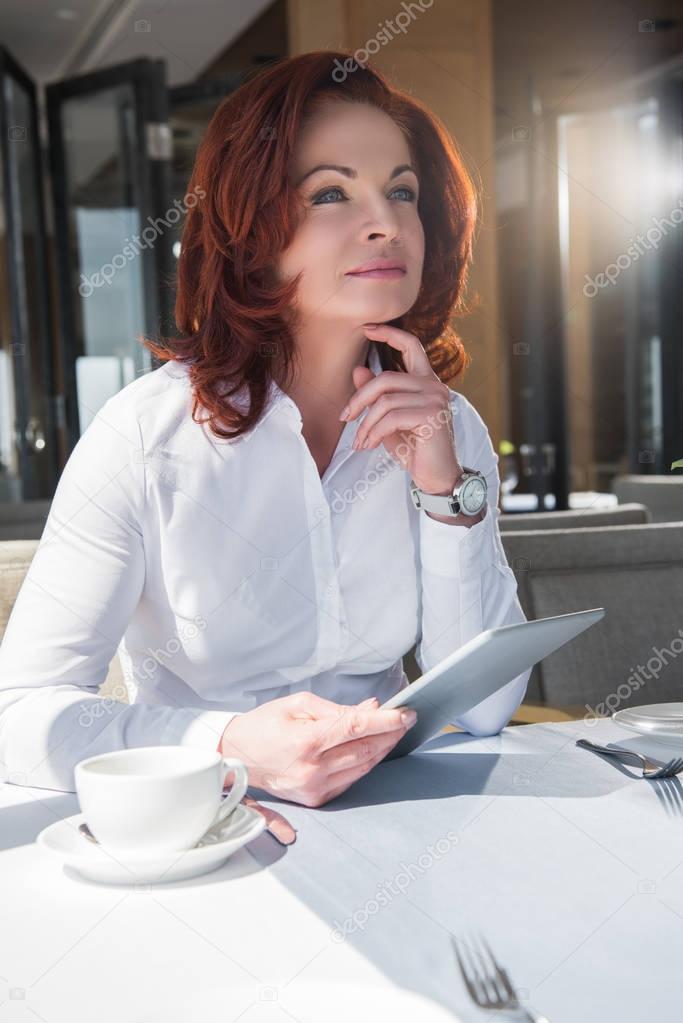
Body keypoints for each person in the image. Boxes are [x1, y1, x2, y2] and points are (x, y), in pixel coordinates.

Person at [0, 51, 530, 822]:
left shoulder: (445, 425)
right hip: (200, 826)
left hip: (395, 819)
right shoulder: (143, 436)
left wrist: (447, 493)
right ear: (252, 233)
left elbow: (483, 710)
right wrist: (225, 743)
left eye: (402, 191)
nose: (383, 221)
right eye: (329, 193)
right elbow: (19, 717)